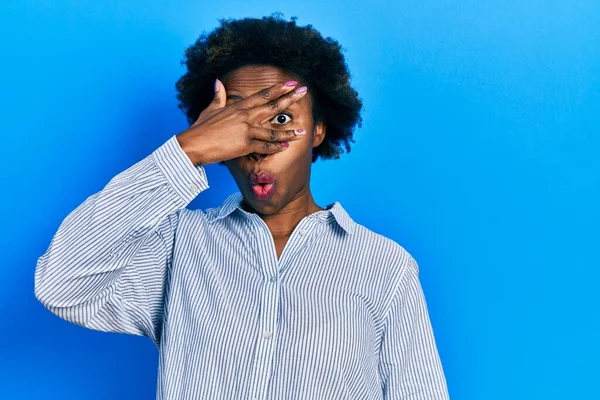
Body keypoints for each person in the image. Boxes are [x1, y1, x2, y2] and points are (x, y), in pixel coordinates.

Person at [34, 14, 449, 400]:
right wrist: (189, 148)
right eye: (237, 123)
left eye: (283, 120)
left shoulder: (385, 267)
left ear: (319, 129)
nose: (258, 145)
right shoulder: (178, 246)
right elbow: (62, 284)